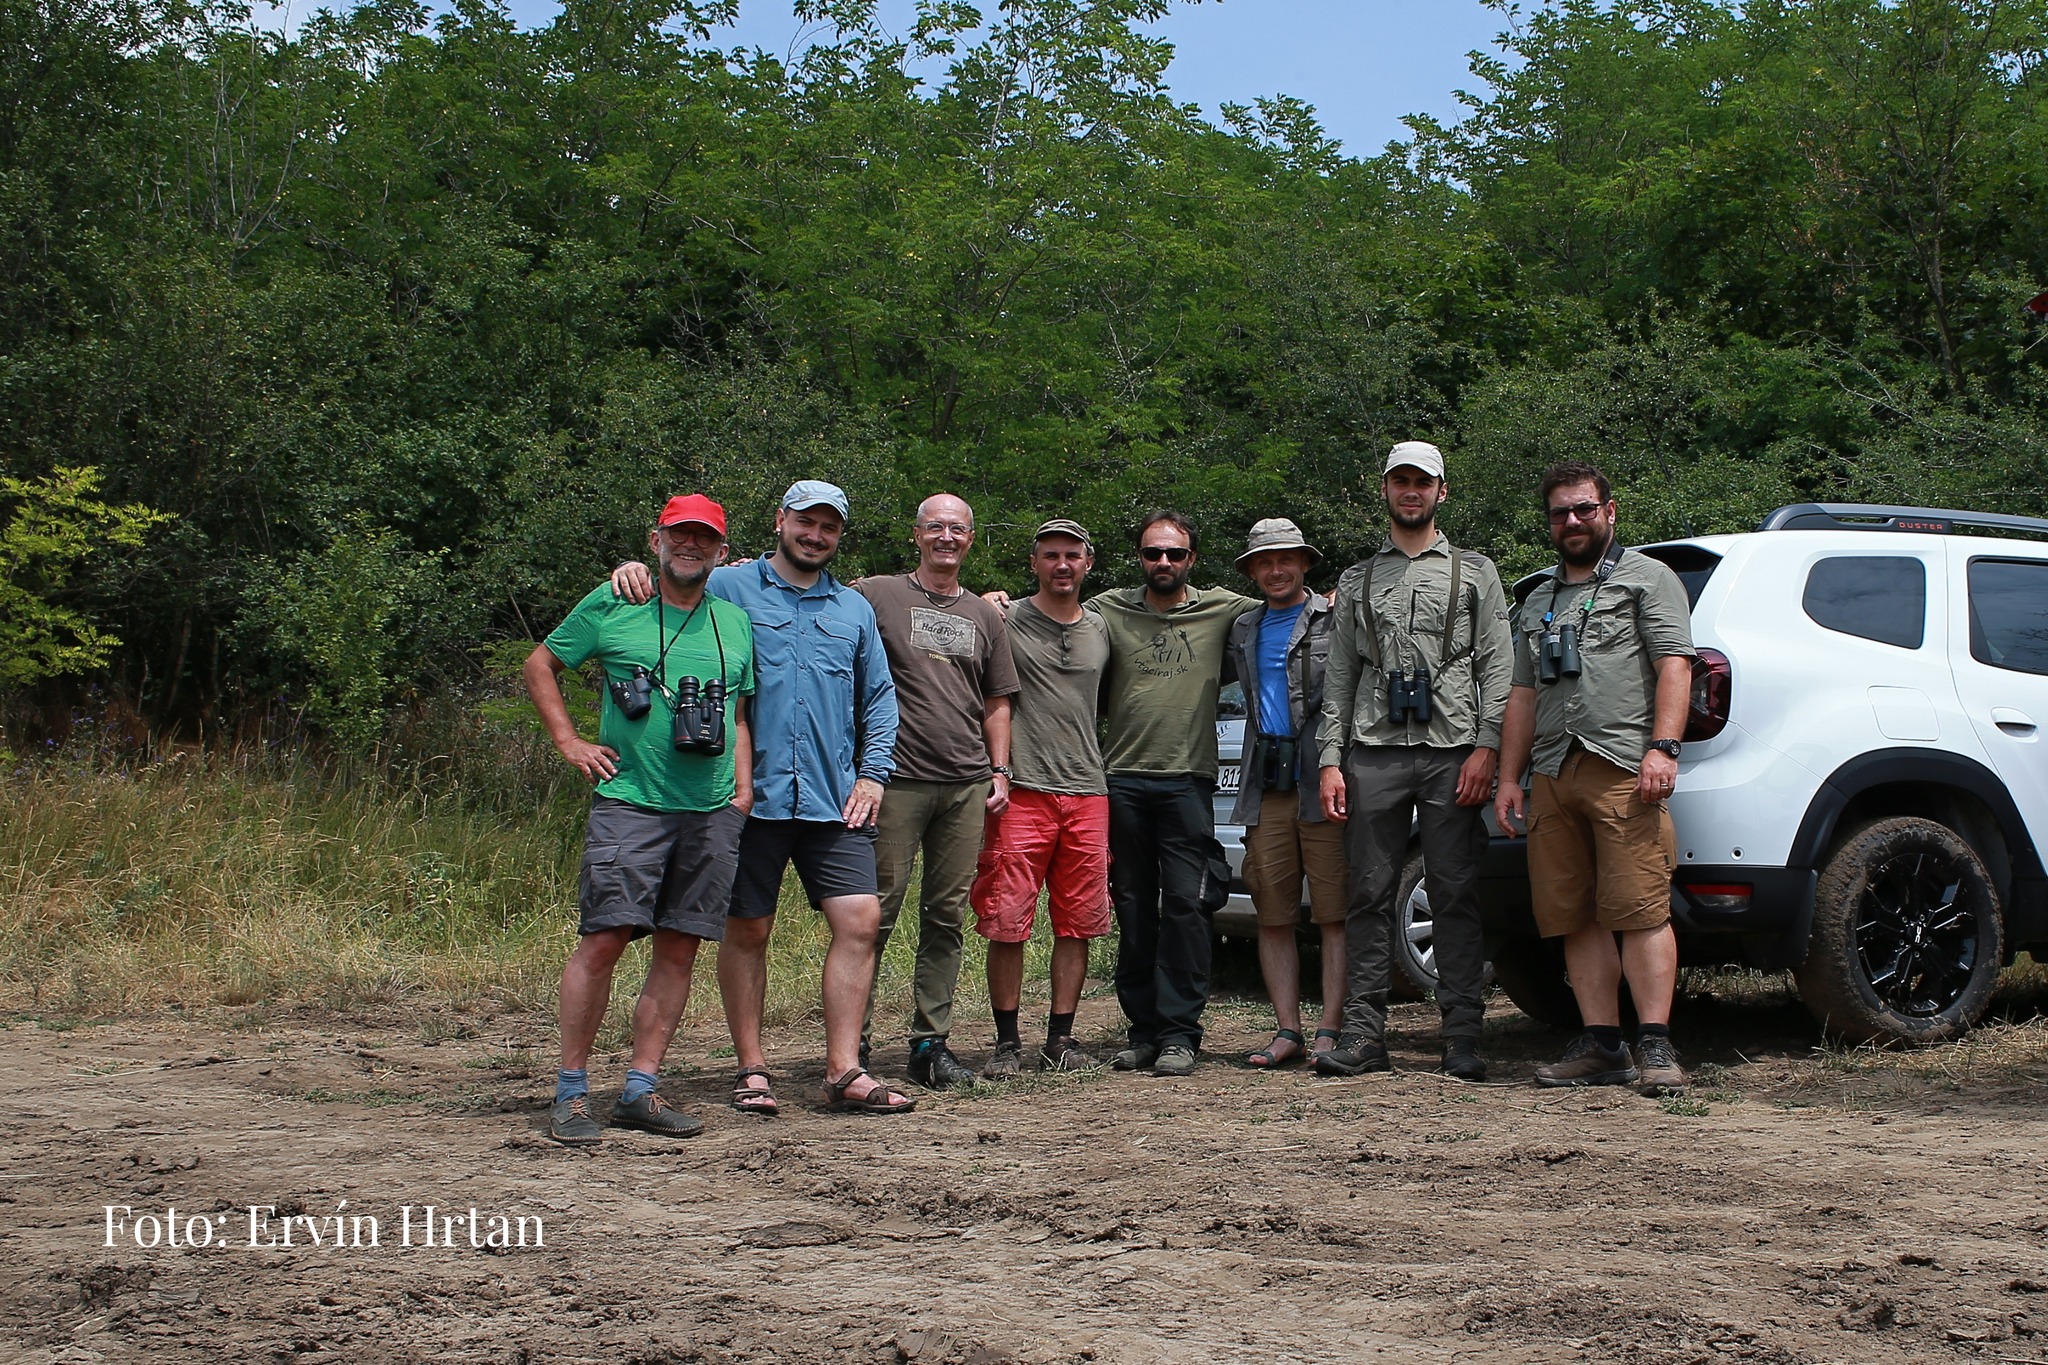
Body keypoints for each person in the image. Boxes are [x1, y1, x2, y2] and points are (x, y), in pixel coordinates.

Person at [610, 480, 915, 1115]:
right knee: (748, 929)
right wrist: (633, 571)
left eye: (829, 527)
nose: (815, 535)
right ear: (780, 521)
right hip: (749, 797)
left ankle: (844, 1069)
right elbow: (670, 592)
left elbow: (880, 700)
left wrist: (874, 773)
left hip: (835, 797)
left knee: (859, 920)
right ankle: (751, 1068)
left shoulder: (854, 610)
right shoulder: (730, 588)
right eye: (806, 522)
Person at [526, 494, 756, 1145]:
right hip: (630, 802)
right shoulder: (614, 602)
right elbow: (540, 663)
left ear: (719, 549)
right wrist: (569, 741)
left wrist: (743, 787)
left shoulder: (733, 622)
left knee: (678, 949)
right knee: (603, 939)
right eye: (679, 535)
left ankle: (640, 1089)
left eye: (703, 538)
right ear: (655, 539)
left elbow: (737, 710)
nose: (691, 546)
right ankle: (572, 1092)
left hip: (709, 813)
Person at [1495, 460, 1695, 1095]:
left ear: (1610, 511)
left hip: (1623, 768)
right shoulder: (1538, 598)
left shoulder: (1648, 579)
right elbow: (1522, 693)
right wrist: (1509, 778)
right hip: (1553, 771)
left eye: (1584, 509)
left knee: (1639, 909)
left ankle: (1657, 1048)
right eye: (1560, 512)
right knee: (1572, 914)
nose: (1573, 521)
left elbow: (1675, 667)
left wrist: (1663, 749)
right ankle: (1603, 1045)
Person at [1316, 443, 1514, 1080]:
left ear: (1441, 492)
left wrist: (1487, 746)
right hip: (1373, 749)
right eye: (1400, 481)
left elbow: (1498, 666)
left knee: (1453, 891)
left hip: (1452, 749)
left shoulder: (1476, 571)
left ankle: (1461, 1035)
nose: (1411, 492)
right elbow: (1341, 672)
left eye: (1422, 483)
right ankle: (1365, 1033)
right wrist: (1330, 758)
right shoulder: (1356, 579)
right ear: (1385, 490)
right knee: (1368, 891)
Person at [855, 494, 1020, 1089]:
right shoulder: (876, 594)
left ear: (970, 540)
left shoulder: (985, 615)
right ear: (917, 535)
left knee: (946, 916)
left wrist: (998, 771)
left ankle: (930, 1043)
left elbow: (997, 700)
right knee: (873, 915)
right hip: (894, 781)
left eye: (957, 529)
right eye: (935, 527)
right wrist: (744, 570)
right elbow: (809, 594)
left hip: (965, 785)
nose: (946, 537)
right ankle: (855, 1043)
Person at [1091, 511, 1259, 1078]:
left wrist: (1332, 596)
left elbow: (1282, 601)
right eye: (1152, 553)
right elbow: (1050, 613)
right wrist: (996, 602)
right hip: (1122, 780)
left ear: (1192, 559)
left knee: (1188, 907)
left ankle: (1181, 1035)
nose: (1163, 562)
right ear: (1139, 557)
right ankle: (1142, 1032)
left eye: (1175, 554)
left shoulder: (1223, 609)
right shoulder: (1108, 610)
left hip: (1188, 780)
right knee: (1134, 907)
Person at [970, 519, 1114, 1078]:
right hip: (1021, 789)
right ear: (1033, 563)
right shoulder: (1003, 618)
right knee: (1008, 921)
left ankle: (1061, 1037)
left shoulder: (1102, 628)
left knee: (1078, 921)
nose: (1061, 565)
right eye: (1050, 555)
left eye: (1071, 556)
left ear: (1087, 564)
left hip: (1088, 790)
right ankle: (1006, 1043)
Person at [1224, 519, 1346, 1068]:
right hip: (1265, 781)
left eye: (1286, 560)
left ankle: (1330, 1030)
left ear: (1305, 564)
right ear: (1252, 571)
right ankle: (1287, 1030)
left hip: (1323, 774)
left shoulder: (1337, 616)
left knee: (1333, 910)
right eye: (1264, 562)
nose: (1276, 570)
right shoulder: (1243, 628)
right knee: (1272, 910)